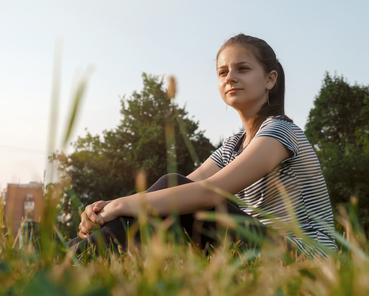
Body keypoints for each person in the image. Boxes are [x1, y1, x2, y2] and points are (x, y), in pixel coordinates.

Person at [70, 34, 337, 257]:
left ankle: (71, 257)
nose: (229, 77)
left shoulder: (280, 131)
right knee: (170, 188)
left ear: (270, 79)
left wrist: (118, 207)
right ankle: (76, 251)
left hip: (303, 255)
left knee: (170, 184)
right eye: (223, 72)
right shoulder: (234, 145)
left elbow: (209, 193)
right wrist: (108, 207)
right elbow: (180, 188)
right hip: (258, 247)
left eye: (242, 69)